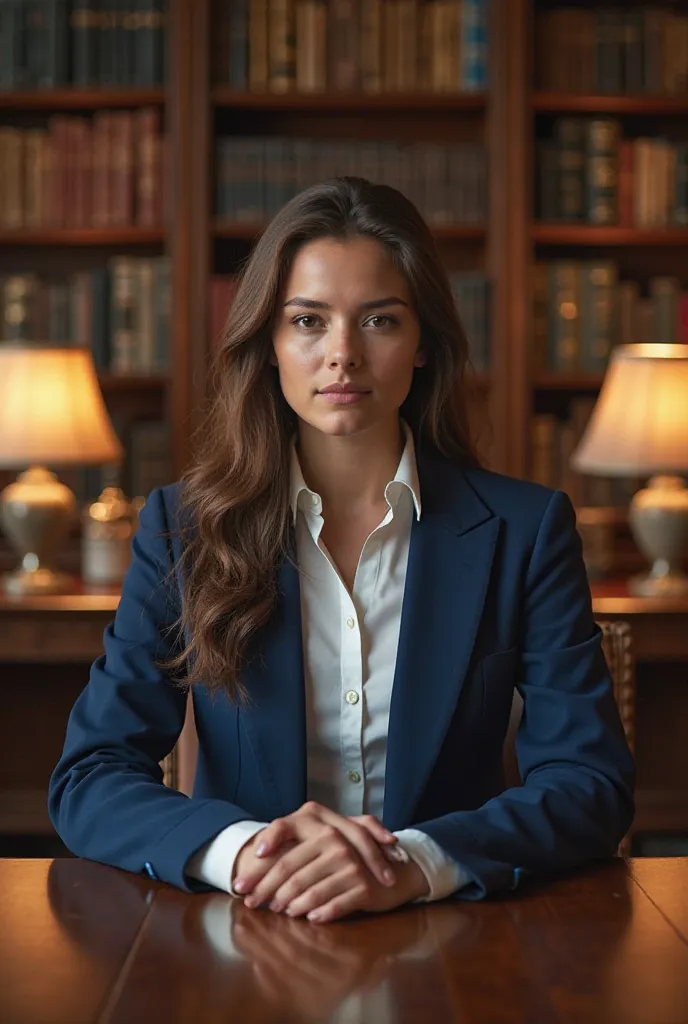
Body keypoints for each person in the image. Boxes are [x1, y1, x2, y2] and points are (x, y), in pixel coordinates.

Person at [48, 177, 635, 924]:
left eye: (380, 321)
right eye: (308, 321)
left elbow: (590, 782)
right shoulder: (183, 530)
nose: (342, 356)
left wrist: (410, 864)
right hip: (243, 931)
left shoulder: (526, 529)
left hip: (456, 933)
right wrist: (250, 853)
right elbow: (91, 776)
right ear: (269, 342)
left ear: (423, 343)